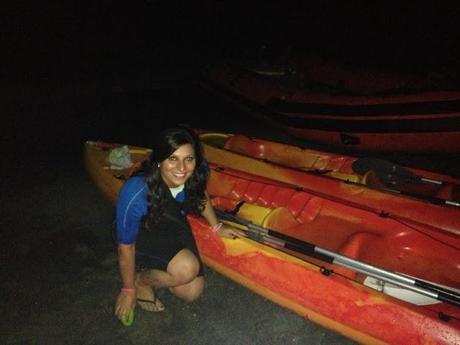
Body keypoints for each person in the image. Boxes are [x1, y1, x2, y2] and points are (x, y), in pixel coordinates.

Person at [114, 126, 243, 321]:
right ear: (159, 160)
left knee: (191, 291)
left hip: (173, 223)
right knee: (186, 269)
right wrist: (128, 288)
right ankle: (140, 281)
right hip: (143, 233)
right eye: (172, 158)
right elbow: (125, 246)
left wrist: (216, 225)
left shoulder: (197, 169)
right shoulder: (136, 191)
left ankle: (157, 272)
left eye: (188, 159)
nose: (182, 168)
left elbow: (200, 192)